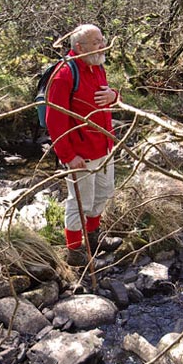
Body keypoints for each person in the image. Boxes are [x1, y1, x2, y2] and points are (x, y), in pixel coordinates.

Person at [45, 24, 122, 266]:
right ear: (79, 47)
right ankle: (75, 252)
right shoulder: (64, 75)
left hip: (104, 147)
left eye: (102, 39)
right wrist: (68, 156)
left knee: (103, 195)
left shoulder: (97, 65)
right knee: (79, 202)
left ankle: (93, 239)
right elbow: (53, 120)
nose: (103, 45)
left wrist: (114, 96)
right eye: (97, 41)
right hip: (81, 155)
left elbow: (107, 96)